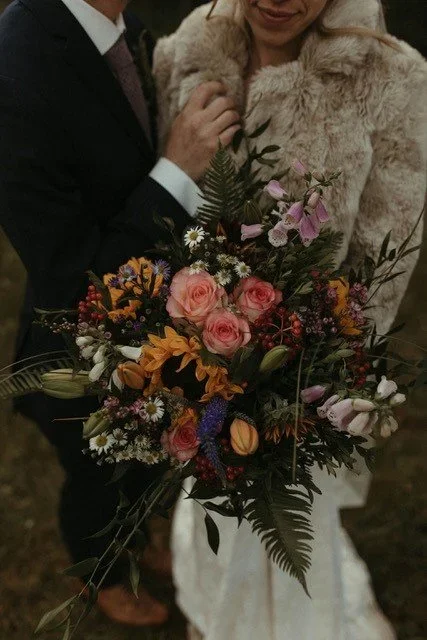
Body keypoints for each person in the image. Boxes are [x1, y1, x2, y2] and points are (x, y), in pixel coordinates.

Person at [153, 0, 427, 637]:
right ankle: (216, 614)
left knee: (286, 535)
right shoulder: (193, 46)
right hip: (197, 362)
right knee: (213, 510)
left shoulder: (393, 80)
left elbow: (388, 253)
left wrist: (322, 376)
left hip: (306, 378)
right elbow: (165, 214)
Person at [0, 0, 241, 627]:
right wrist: (176, 171)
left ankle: (135, 540)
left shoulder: (121, 25)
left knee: (144, 457)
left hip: (151, 320)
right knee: (96, 471)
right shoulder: (14, 70)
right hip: (77, 344)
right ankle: (100, 572)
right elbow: (71, 270)